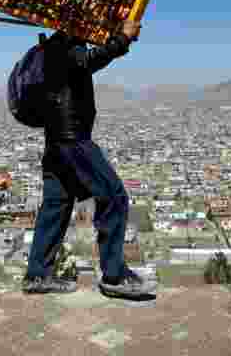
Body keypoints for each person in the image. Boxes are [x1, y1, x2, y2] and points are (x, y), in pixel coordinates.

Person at [22, 19, 155, 299]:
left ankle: (37, 275)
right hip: (72, 138)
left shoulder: (53, 45)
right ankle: (114, 275)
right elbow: (90, 61)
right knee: (114, 196)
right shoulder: (68, 42)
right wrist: (123, 38)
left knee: (56, 204)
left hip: (56, 139)